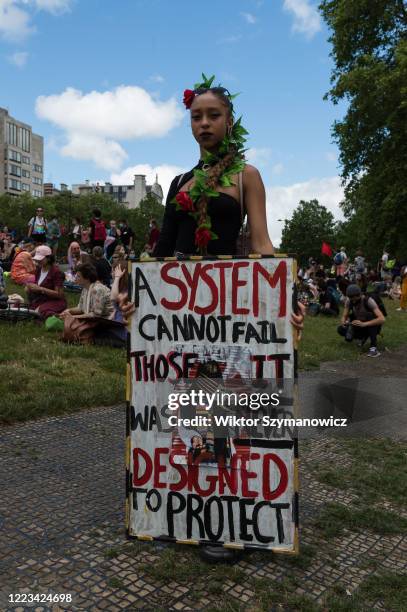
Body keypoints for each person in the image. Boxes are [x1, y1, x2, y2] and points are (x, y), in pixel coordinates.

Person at [120, 75, 306, 562]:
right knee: (173, 410)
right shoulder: (180, 183)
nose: (204, 123)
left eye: (213, 115)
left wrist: (287, 293)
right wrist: (137, 297)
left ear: (229, 121)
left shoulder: (247, 176)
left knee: (219, 415)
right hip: (177, 313)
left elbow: (262, 245)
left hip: (226, 314)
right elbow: (162, 251)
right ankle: (175, 510)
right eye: (196, 116)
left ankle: (226, 520)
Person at [60, 262, 125, 346]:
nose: (76, 278)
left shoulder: (97, 289)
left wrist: (73, 317)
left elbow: (95, 315)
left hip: (109, 323)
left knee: (74, 330)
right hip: (97, 322)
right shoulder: (85, 288)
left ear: (87, 278)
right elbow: (81, 308)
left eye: (78, 276)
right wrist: (68, 311)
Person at [337, 284, 385, 357]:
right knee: (340, 329)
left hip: (372, 326)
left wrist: (364, 324)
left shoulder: (368, 301)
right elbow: (344, 316)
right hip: (360, 324)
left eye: (355, 297)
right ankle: (362, 338)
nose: (353, 300)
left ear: (359, 295)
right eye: (350, 297)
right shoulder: (349, 301)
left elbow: (382, 319)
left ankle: (373, 348)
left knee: (370, 316)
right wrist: (344, 322)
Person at [26, 245, 67, 319]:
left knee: (39, 312)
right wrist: (30, 288)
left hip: (56, 302)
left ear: (48, 258)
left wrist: (41, 289)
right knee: (27, 311)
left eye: (40, 259)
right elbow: (37, 286)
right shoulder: (38, 270)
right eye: (37, 259)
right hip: (42, 300)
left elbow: (59, 294)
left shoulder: (56, 272)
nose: (38, 261)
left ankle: (58, 316)